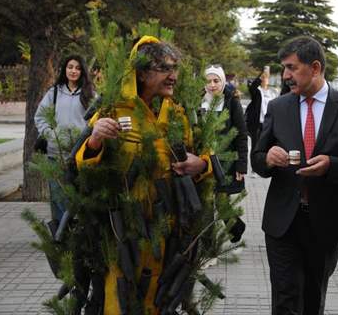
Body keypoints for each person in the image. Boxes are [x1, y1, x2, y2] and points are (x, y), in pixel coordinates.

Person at [76, 36, 212, 314]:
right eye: (165, 69)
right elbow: (82, 168)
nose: (173, 76)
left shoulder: (178, 114)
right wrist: (95, 139)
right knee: (120, 302)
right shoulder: (113, 110)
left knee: (158, 302)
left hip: (166, 232)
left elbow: (202, 158)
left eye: (174, 68)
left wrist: (201, 165)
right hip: (123, 231)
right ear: (141, 73)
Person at [251, 36, 338, 314]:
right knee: (284, 298)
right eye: (284, 68)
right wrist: (267, 158)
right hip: (282, 222)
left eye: (292, 67)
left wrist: (332, 165)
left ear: (315, 67)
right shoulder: (278, 107)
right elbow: (257, 159)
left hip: (326, 222)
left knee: (312, 298)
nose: (286, 75)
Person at [34, 54, 95, 223]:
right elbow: (40, 117)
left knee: (79, 198)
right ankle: (63, 234)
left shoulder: (90, 94)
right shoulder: (54, 93)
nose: (73, 71)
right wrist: (51, 135)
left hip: (80, 156)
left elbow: (96, 120)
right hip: (56, 155)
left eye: (77, 68)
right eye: (70, 67)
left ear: (82, 71)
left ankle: (79, 232)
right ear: (64, 70)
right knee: (58, 198)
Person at [202, 65, 248, 242]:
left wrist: (241, 165)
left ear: (222, 82)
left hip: (225, 162)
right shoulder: (198, 101)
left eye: (216, 80)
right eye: (208, 81)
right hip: (203, 163)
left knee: (221, 203)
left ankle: (236, 227)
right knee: (205, 205)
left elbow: (241, 135)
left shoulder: (232, 102)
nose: (212, 85)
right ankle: (208, 245)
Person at [245, 66, 276, 146]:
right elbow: (252, 87)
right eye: (262, 78)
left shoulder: (272, 93)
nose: (264, 79)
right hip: (257, 123)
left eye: (266, 78)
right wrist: (261, 75)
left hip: (268, 123)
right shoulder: (257, 91)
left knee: (266, 145)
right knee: (255, 145)